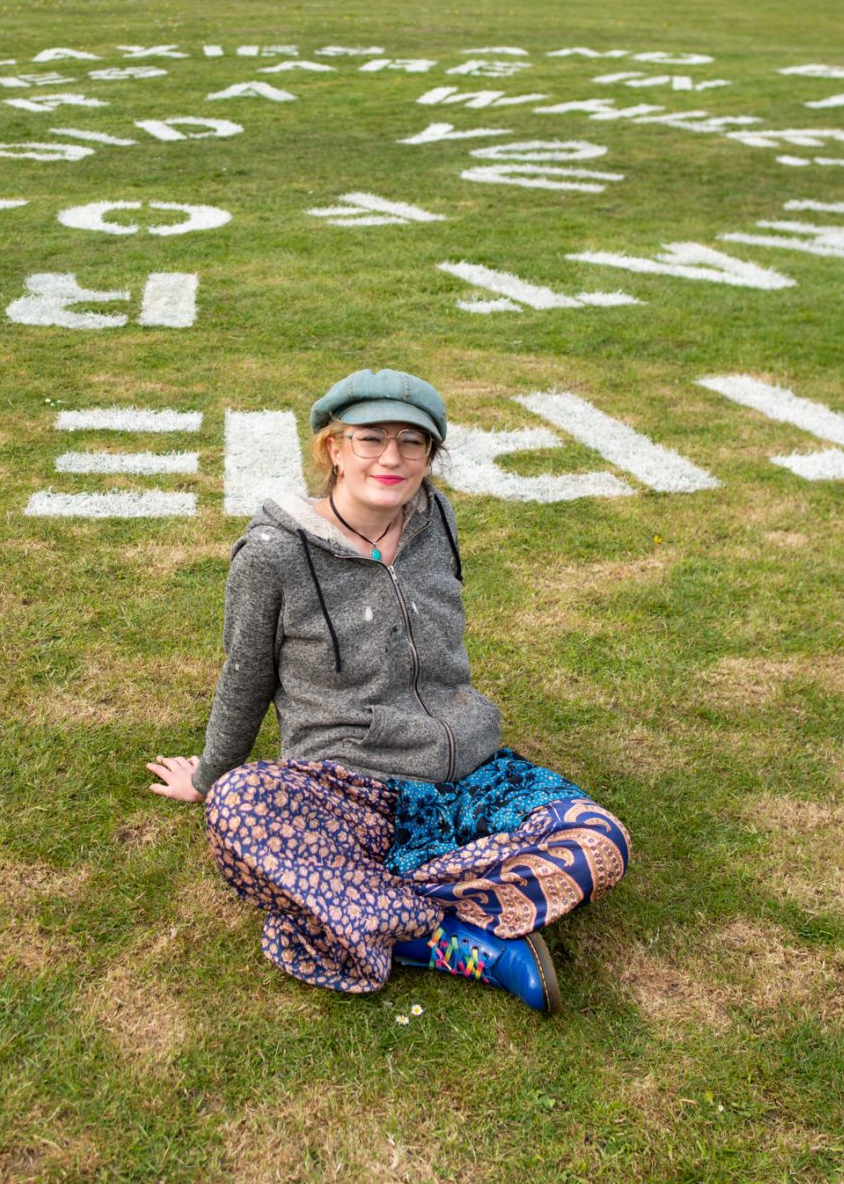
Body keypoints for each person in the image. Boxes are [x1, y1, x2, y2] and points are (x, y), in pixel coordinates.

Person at [145, 369, 629, 1015]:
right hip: (349, 788)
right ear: (334, 449)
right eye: (371, 439)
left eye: (413, 443)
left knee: (601, 843)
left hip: (469, 777)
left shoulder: (438, 518)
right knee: (238, 808)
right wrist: (209, 774)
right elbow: (246, 676)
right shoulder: (272, 555)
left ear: (431, 456)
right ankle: (452, 938)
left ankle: (361, 907)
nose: (393, 459)